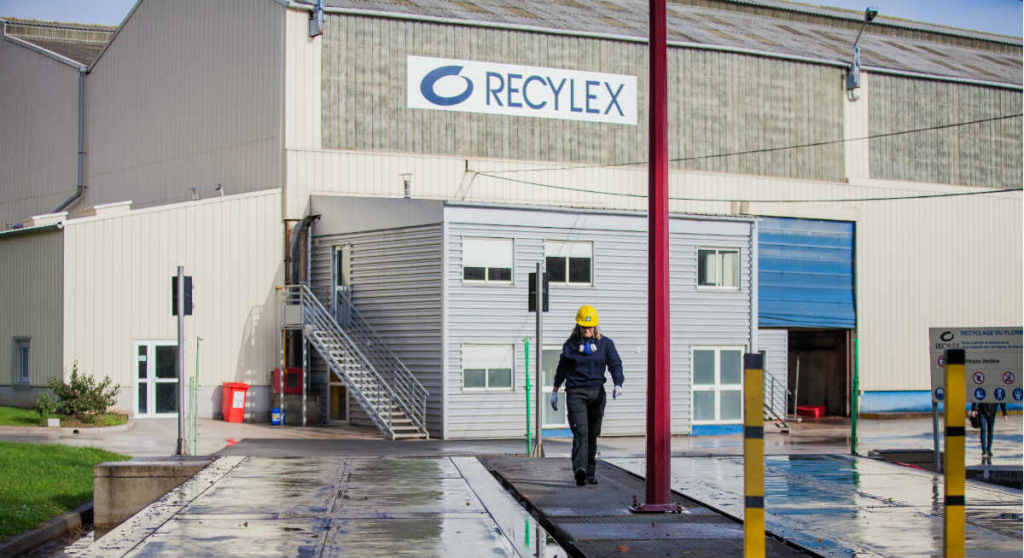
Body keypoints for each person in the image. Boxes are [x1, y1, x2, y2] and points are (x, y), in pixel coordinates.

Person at [550, 304, 624, 486]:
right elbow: (562, 367)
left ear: (595, 326)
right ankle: (580, 470)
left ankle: (591, 472)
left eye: (590, 327)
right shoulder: (571, 345)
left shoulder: (606, 344)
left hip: (597, 393)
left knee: (592, 434)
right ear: (578, 326)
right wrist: (555, 390)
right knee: (581, 432)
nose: (587, 330)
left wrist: (618, 383)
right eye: (584, 327)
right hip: (576, 393)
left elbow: (615, 364)